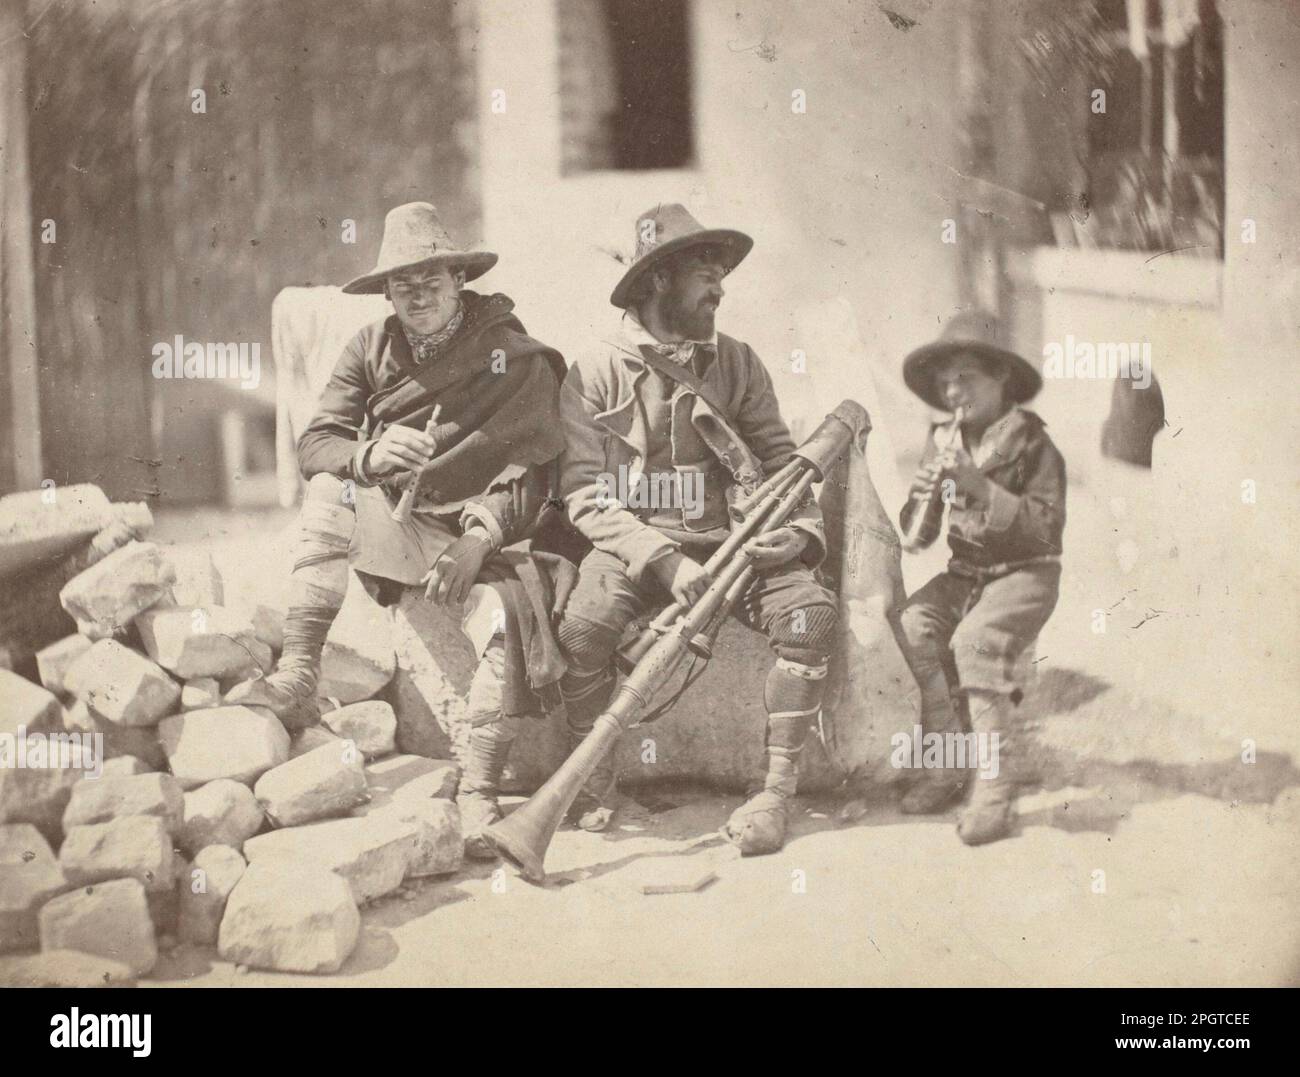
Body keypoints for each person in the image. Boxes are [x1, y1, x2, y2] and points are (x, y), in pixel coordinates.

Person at [225, 202, 569, 856]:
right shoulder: (371, 347)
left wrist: (478, 538)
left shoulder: (507, 354)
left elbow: (539, 470)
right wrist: (367, 456)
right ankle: (300, 668)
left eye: (431, 280)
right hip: (401, 526)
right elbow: (317, 442)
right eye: (402, 284)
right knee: (330, 488)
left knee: (501, 621)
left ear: (459, 281)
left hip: (486, 537)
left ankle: (480, 791)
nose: (417, 296)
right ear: (386, 291)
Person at [553, 203, 837, 855]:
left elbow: (781, 464)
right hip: (631, 548)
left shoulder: (736, 363)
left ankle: (774, 794)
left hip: (735, 546)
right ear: (657, 280)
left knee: (809, 618)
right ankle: (594, 786)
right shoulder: (593, 371)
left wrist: (795, 537)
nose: (720, 289)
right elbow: (584, 492)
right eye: (706, 274)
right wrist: (663, 561)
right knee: (583, 628)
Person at [895, 311, 1066, 845]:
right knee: (915, 623)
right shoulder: (943, 439)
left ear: (1002, 380)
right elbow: (918, 538)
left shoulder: (1034, 445)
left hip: (1025, 574)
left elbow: (1045, 532)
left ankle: (995, 788)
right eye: (946, 381)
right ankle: (948, 765)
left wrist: (980, 487)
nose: (953, 391)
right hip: (966, 574)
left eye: (966, 377)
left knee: (975, 642)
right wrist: (925, 495)